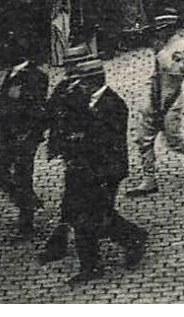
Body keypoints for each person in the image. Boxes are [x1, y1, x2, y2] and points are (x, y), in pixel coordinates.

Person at [41, 48, 145, 282]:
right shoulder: (82, 97)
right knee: (84, 216)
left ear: (93, 81)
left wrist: (79, 140)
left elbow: (106, 141)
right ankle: (93, 264)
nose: (80, 86)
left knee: (95, 216)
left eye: (83, 83)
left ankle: (131, 239)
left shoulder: (113, 104)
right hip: (82, 167)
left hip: (105, 170)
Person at [126, 13, 184, 197]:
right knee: (143, 137)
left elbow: (177, 71)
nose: (157, 35)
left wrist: (160, 53)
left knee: (174, 142)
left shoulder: (181, 47)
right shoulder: (164, 45)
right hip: (155, 95)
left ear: (170, 29)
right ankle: (149, 180)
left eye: (161, 30)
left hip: (171, 100)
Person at [0, 47, 49, 237]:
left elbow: (38, 110)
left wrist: (27, 134)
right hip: (6, 135)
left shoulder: (35, 77)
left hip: (24, 137)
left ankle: (26, 223)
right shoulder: (12, 73)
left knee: (23, 177)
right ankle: (28, 201)